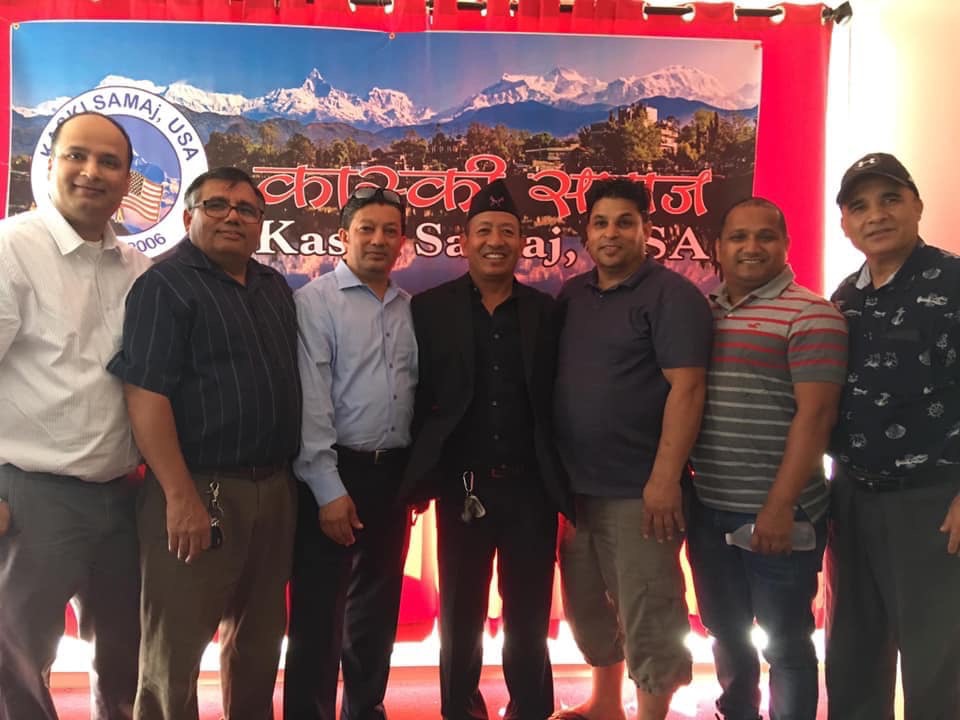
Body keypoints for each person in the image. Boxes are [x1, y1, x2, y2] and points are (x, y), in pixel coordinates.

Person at [107, 166, 301, 720]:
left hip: (274, 488)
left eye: (246, 209)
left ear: (260, 224)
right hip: (198, 490)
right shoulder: (164, 287)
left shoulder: (272, 287)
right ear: (189, 216)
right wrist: (179, 495)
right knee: (174, 652)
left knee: (259, 644)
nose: (232, 217)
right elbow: (145, 394)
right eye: (217, 205)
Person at [0, 111, 151, 720]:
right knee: (17, 661)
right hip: (31, 498)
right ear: (50, 164)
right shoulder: (12, 249)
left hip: (122, 498)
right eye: (76, 156)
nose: (92, 172)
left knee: (127, 657)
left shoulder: (137, 267)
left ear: (127, 180)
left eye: (109, 162)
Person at [401, 179, 571, 720]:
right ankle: (460, 710)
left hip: (531, 489)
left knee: (528, 616)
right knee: (460, 616)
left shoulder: (547, 311)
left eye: (507, 231)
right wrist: (417, 475)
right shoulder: (429, 310)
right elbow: (414, 395)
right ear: (464, 241)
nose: (495, 241)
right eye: (484, 231)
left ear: (522, 242)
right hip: (463, 487)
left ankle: (531, 709)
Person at [552, 178, 713, 720]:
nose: (611, 233)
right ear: (586, 233)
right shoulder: (573, 295)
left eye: (625, 222)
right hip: (577, 490)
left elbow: (688, 389)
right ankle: (605, 704)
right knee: (589, 605)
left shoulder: (672, 296)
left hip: (640, 491)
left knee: (648, 607)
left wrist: (665, 480)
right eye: (600, 223)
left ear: (647, 230)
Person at [687, 198, 847, 720]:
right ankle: (737, 712)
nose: (751, 247)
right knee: (724, 630)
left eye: (765, 236)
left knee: (785, 643)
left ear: (786, 245)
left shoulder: (812, 314)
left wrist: (778, 506)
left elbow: (817, 417)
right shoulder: (702, 312)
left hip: (781, 512)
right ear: (718, 247)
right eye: (738, 236)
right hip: (709, 507)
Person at [826, 152, 960, 719]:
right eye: (859, 206)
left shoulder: (953, 282)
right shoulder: (845, 297)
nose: (876, 215)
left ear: (917, 205)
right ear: (845, 224)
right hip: (852, 498)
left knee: (937, 666)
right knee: (853, 657)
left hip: (931, 502)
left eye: (890, 199)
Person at [283, 186, 417, 720]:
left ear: (402, 242)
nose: (378, 240)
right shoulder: (315, 302)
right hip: (333, 473)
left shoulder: (409, 308)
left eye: (390, 231)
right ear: (343, 237)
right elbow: (312, 401)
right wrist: (327, 489)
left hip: (392, 477)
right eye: (366, 229)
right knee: (318, 614)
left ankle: (365, 709)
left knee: (375, 613)